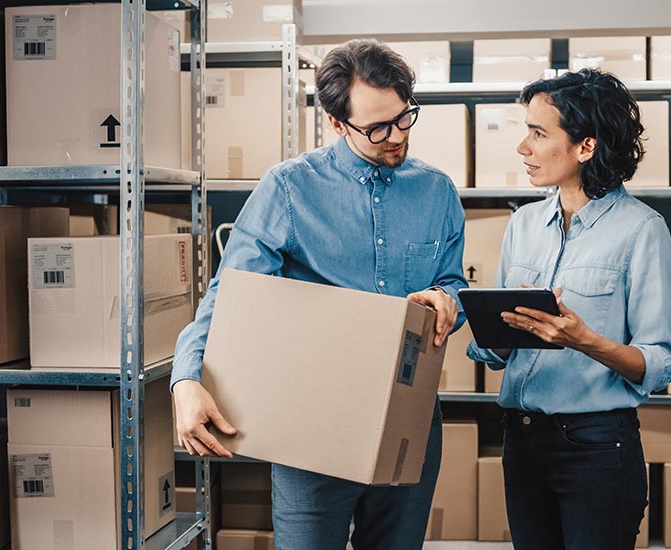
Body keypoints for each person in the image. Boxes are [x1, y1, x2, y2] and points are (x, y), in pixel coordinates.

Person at [170, 39, 467, 549]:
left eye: (403, 118)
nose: (395, 137)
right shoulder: (288, 189)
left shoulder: (437, 191)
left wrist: (449, 301)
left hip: (409, 418)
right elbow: (230, 296)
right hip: (313, 425)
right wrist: (186, 379)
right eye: (376, 128)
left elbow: (452, 282)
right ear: (336, 123)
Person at [467, 69, 671, 549]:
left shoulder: (642, 231)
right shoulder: (522, 223)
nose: (524, 147)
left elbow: (659, 365)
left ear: (586, 146)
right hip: (521, 441)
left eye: (538, 134)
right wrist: (497, 332)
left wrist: (585, 341)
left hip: (597, 447)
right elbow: (496, 353)